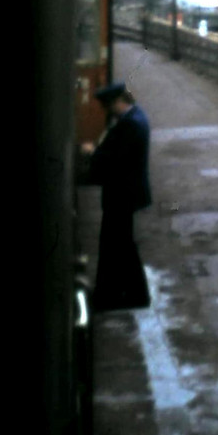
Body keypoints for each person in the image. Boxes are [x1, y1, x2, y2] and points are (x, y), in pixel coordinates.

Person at [84, 81, 152, 311]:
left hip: (122, 193)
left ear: (117, 102)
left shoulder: (129, 125)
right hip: (126, 192)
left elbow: (116, 160)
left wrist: (93, 152)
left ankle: (123, 295)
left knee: (117, 245)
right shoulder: (136, 117)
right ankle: (120, 293)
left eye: (108, 106)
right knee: (120, 244)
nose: (108, 112)